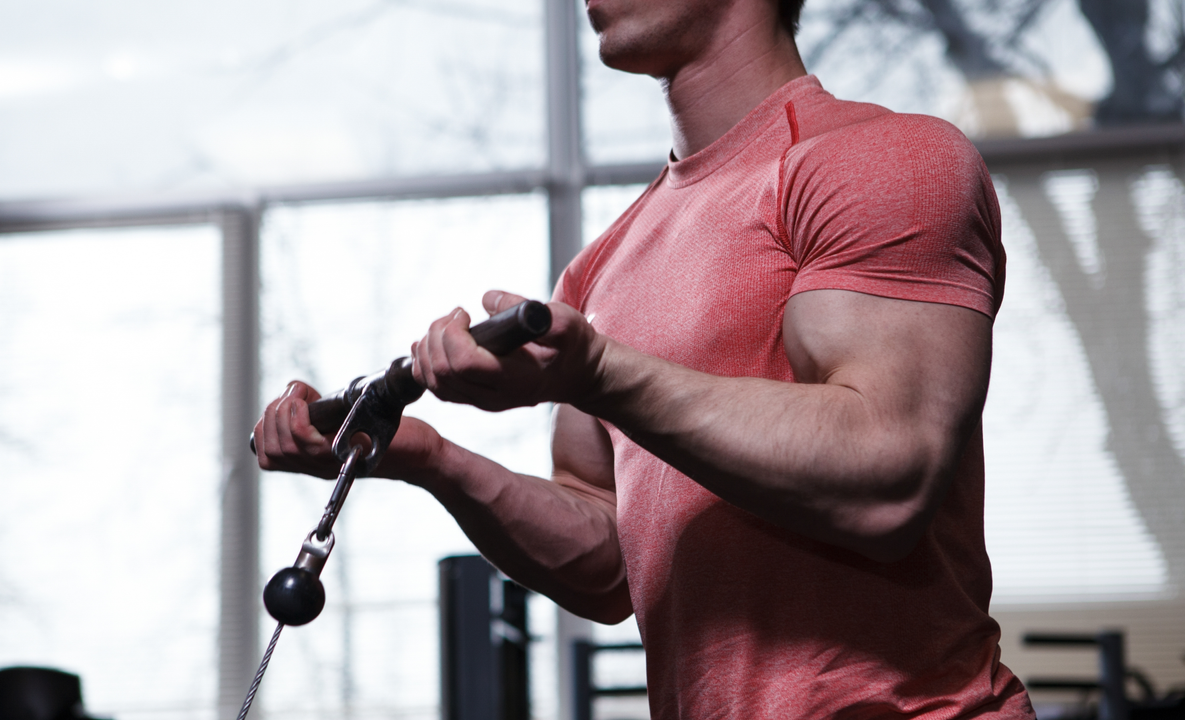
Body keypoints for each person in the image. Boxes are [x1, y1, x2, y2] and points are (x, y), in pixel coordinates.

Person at [254, 0, 1036, 716]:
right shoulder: (603, 267)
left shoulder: (885, 161)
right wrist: (427, 457)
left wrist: (598, 373)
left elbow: (889, 472)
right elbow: (608, 564)